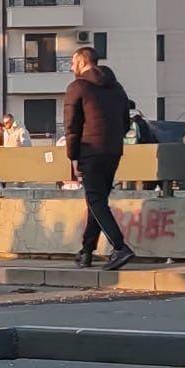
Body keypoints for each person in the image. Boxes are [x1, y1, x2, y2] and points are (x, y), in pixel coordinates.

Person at [64, 49, 134, 271]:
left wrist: (73, 156)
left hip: (89, 151)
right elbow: (126, 122)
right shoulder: (117, 87)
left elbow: (72, 126)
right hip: (113, 151)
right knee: (98, 201)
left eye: (73, 62)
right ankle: (86, 251)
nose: (71, 67)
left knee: (95, 201)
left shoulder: (78, 87)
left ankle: (120, 247)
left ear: (82, 61)